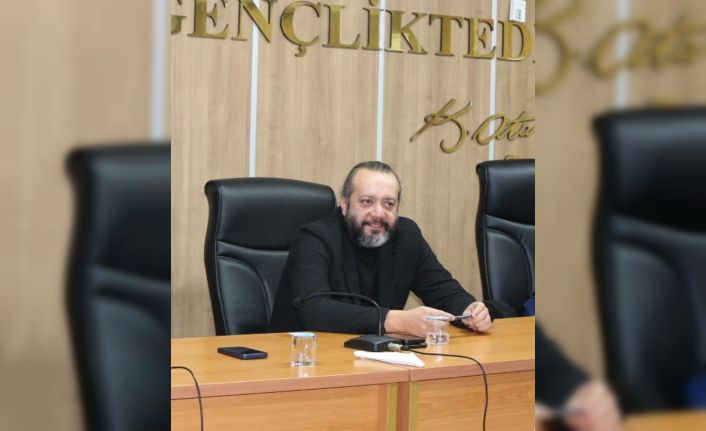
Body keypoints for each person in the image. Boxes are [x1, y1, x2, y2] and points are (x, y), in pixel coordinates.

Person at [272, 161, 513, 337]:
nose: (378, 213)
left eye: (389, 204)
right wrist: (397, 320)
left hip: (375, 359)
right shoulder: (315, 238)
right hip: (304, 361)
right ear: (344, 205)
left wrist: (469, 310)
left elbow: (443, 290)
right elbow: (314, 310)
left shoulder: (407, 235)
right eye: (367, 202)